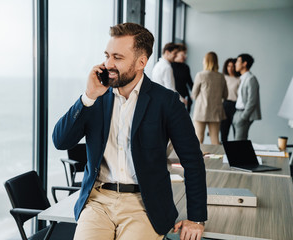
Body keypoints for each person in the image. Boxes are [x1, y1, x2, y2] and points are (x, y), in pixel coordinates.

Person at [53, 23, 207, 240]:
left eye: (118, 57)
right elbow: (60, 141)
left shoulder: (167, 102)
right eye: (107, 55)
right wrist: (87, 97)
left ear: (141, 62)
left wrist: (196, 218)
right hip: (98, 202)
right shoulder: (95, 97)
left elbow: (192, 160)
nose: (108, 64)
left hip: (144, 204)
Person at [192, 51, 228, 145]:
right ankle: (217, 159)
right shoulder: (221, 76)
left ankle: (198, 159)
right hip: (216, 111)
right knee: (215, 140)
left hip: (201, 111)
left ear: (206, 61)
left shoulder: (201, 75)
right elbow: (226, 95)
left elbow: (194, 94)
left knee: (198, 138)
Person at [233, 53, 261, 140]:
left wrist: (243, 117)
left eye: (238, 61)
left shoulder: (251, 79)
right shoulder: (242, 78)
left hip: (243, 114)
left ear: (244, 64)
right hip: (237, 112)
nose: (235, 64)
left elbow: (252, 101)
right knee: (238, 143)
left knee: (239, 144)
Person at [220, 58, 241, 142]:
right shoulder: (223, 78)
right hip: (224, 105)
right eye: (228, 66)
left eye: (232, 66)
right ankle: (224, 152)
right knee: (224, 131)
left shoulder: (239, 79)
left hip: (235, 106)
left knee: (237, 131)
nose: (230, 68)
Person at [172, 44, 194, 112]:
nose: (185, 57)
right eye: (182, 54)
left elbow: (190, 83)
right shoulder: (169, 67)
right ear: (176, 54)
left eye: (185, 54)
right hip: (174, 97)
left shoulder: (185, 67)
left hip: (185, 98)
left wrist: (194, 93)